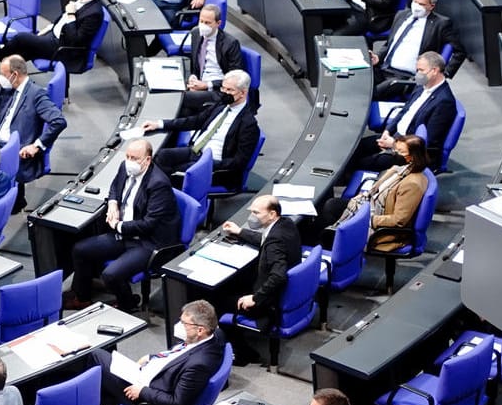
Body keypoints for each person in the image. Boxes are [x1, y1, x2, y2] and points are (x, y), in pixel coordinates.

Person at [68, 138, 179, 312]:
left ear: (147, 160)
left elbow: (148, 224)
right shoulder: (125, 167)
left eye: (134, 158)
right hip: (124, 234)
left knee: (110, 275)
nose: (129, 161)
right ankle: (82, 298)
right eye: (128, 156)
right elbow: (114, 187)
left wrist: (118, 225)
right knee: (80, 249)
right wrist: (113, 203)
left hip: (147, 242)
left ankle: (128, 304)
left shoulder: (159, 184)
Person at [91, 300, 226, 405]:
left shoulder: (198, 365)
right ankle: (103, 404)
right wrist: (151, 358)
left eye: (184, 323)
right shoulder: (215, 335)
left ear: (200, 330)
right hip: (150, 374)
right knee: (99, 376)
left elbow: (176, 402)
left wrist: (142, 391)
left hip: (150, 400)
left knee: (94, 357)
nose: (179, 325)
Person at [142, 69, 258, 187]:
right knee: (161, 156)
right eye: (223, 88)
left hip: (214, 165)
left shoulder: (248, 124)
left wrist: (206, 163)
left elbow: (239, 162)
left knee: (173, 175)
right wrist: (160, 124)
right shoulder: (221, 105)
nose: (224, 92)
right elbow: (195, 121)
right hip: (196, 151)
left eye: (230, 90)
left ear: (243, 93)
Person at [0, 55, 67, 204]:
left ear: (14, 75)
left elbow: (59, 121)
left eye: (3, 74)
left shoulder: (36, 94)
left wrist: (36, 145)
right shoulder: (9, 90)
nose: (1, 78)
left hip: (15, 150)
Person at [322, 136, 431, 250]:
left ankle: (333, 249)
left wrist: (365, 218)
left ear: (412, 157)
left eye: (400, 152)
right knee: (330, 206)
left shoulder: (412, 185)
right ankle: (330, 241)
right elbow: (382, 190)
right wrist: (366, 196)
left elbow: (398, 220)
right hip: (372, 207)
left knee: (329, 212)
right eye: (396, 150)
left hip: (380, 227)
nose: (395, 154)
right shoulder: (404, 168)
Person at [357, 52, 456, 172]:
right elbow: (404, 111)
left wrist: (395, 144)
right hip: (396, 136)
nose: (418, 74)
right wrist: (388, 131)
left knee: (360, 163)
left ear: (434, 71)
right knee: (356, 148)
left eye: (421, 70)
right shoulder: (422, 86)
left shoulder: (444, 102)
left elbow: (429, 144)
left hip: (409, 152)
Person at [219, 195, 303, 324]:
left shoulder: (275, 241)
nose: (252, 217)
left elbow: (278, 276)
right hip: (285, 289)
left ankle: (235, 340)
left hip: (267, 301)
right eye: (251, 211)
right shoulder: (285, 223)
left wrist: (255, 298)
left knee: (217, 298)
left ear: (272, 214)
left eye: (256, 212)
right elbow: (266, 239)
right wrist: (240, 231)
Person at [371, 0, 459, 96]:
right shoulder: (401, 15)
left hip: (406, 77)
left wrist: (443, 74)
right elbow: (389, 44)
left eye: (421, 4)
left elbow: (459, 51)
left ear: (431, 6)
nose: (416, 6)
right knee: (358, 80)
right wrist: (378, 57)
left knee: (370, 93)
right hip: (383, 67)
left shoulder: (441, 24)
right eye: (415, 1)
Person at [4, 0, 104, 64]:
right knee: (23, 52)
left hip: (63, 48)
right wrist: (49, 28)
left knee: (22, 39)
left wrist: (71, 15)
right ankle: (7, 72)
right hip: (54, 36)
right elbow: (63, 20)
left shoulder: (94, 13)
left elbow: (76, 41)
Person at [175, 5, 246, 114]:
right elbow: (195, 63)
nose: (203, 25)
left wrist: (207, 85)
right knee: (182, 108)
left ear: (218, 23)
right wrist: (193, 77)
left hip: (220, 89)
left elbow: (234, 78)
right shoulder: (195, 33)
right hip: (199, 83)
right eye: (201, 21)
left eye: (207, 23)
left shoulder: (230, 43)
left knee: (181, 98)